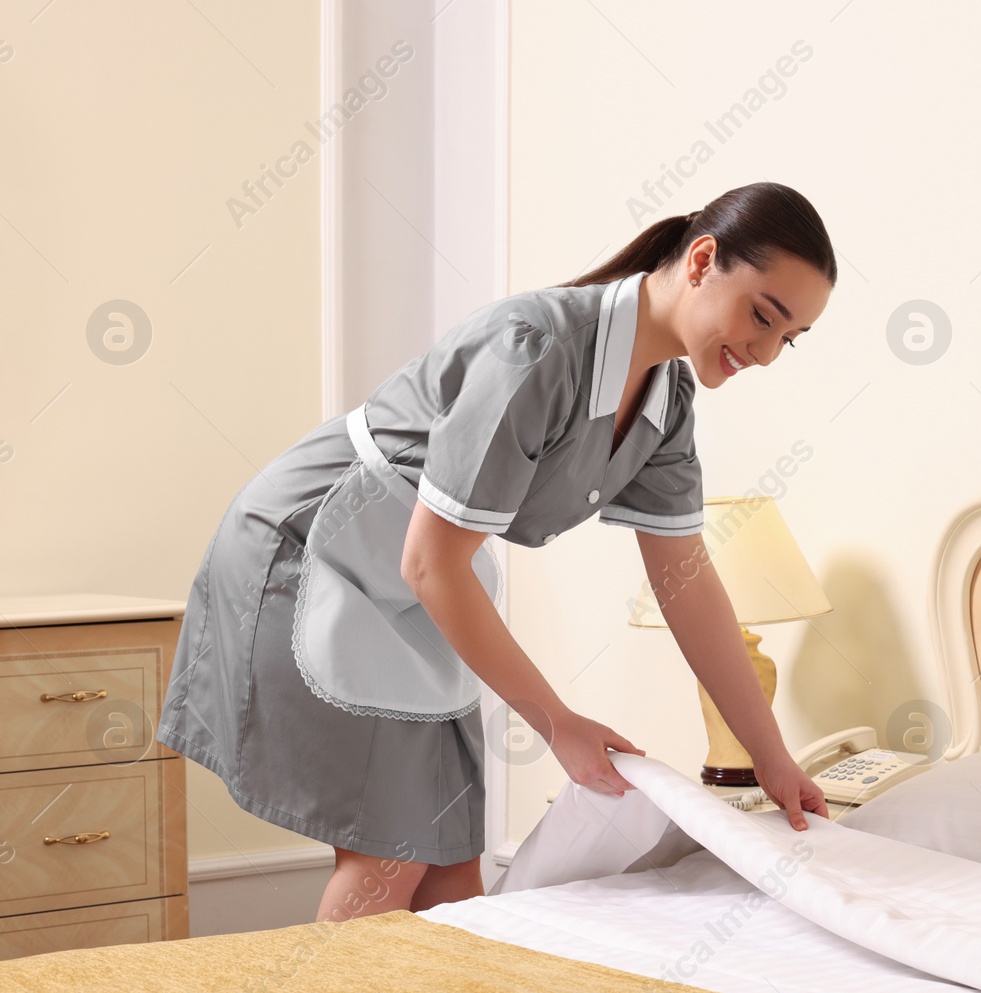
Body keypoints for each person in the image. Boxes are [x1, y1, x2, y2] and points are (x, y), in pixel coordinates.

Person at [156, 181, 837, 923]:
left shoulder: (666, 402)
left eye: (788, 338)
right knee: (391, 850)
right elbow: (430, 562)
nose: (766, 351)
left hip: (404, 586)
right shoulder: (537, 349)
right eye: (763, 317)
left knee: (451, 865)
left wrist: (770, 755)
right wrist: (557, 722)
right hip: (305, 550)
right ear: (703, 259)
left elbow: (684, 580)